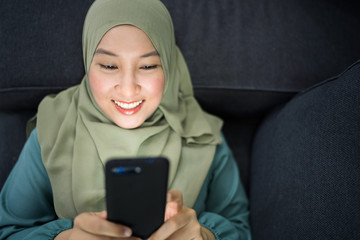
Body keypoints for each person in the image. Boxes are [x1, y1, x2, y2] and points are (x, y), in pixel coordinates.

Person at [0, 0, 251, 239]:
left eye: (148, 66)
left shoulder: (204, 135)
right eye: (109, 66)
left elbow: (242, 229)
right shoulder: (53, 129)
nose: (129, 90)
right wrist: (67, 237)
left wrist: (205, 235)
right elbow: (8, 230)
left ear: (169, 65)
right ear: (88, 63)